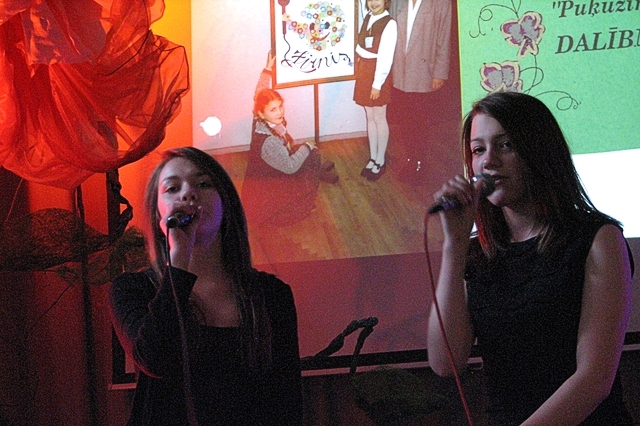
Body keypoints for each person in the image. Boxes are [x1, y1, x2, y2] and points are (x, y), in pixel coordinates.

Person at [427, 92, 634, 425]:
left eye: (505, 145)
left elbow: (594, 380)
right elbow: (444, 363)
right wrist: (454, 244)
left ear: (539, 152)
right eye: (478, 150)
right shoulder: (479, 253)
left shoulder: (597, 239)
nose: (488, 161)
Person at [109, 147, 303, 425]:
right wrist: (178, 261)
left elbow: (286, 403)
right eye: (172, 188)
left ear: (226, 203)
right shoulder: (133, 289)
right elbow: (154, 360)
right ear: (157, 214)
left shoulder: (271, 294)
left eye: (203, 184)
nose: (188, 194)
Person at [241, 52, 338, 227]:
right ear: (261, 113)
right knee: (312, 155)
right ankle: (302, 207)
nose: (280, 112)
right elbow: (290, 167)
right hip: (270, 198)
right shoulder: (269, 142)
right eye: (273, 110)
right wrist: (307, 146)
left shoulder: (260, 119)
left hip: (269, 179)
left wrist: (268, 69)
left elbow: (260, 91)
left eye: (280, 106)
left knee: (305, 152)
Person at [388, 0, 452, 182]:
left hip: (424, 71)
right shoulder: (398, 2)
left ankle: (420, 161)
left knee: (420, 120)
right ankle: (410, 157)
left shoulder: (441, 4)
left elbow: (444, 39)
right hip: (400, 71)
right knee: (404, 119)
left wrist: (440, 73)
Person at [354, 0, 397, 181]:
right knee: (370, 117)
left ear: (386, 1)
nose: (373, 3)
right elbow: (360, 45)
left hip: (378, 73)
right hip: (365, 71)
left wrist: (377, 84)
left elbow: (386, 56)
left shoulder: (389, 23)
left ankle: (380, 160)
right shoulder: (368, 18)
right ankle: (372, 157)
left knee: (379, 117)